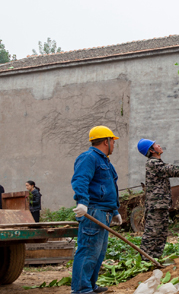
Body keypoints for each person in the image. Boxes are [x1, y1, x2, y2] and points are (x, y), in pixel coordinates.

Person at [71, 126, 122, 294]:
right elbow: (81, 179)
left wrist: (115, 211)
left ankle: (90, 285)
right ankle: (81, 290)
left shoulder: (104, 161)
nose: (114, 144)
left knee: (98, 253)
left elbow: (109, 187)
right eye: (113, 141)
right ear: (106, 141)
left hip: (104, 212)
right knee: (88, 251)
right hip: (93, 211)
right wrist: (82, 202)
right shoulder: (88, 158)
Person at [137, 139, 179, 259]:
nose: (159, 145)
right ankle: (145, 260)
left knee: (161, 234)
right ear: (151, 150)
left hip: (161, 205)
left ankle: (155, 259)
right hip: (156, 206)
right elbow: (173, 170)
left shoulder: (157, 163)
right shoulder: (153, 163)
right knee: (152, 234)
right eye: (155, 145)